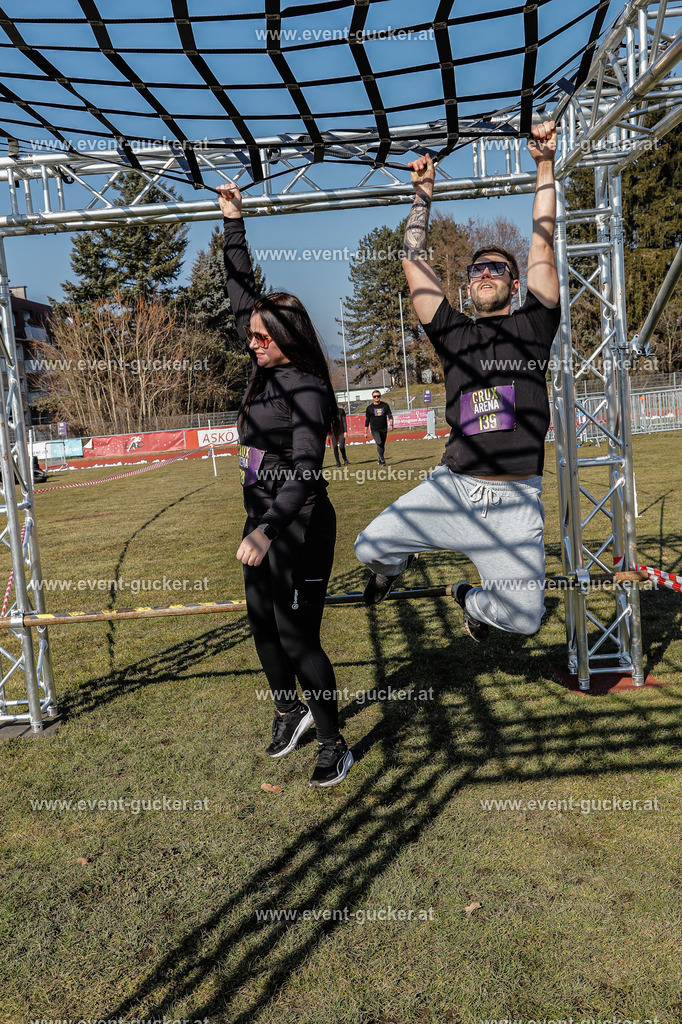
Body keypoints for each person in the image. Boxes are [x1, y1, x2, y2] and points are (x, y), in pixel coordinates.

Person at [355, 121, 561, 642]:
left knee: (524, 619)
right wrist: (422, 196)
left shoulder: (534, 323)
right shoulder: (454, 334)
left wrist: (543, 166)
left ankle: (472, 601)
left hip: (516, 503)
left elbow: (542, 245)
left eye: (495, 267)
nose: (483, 273)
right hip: (455, 489)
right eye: (474, 270)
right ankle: (390, 568)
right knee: (369, 547)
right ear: (468, 287)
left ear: (514, 284)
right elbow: (412, 262)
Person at [218, 182, 353, 788]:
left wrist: (270, 529)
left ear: (287, 338)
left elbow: (306, 473)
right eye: (251, 337)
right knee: (262, 624)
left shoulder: (306, 387)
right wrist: (234, 225)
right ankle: (288, 712)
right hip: (262, 522)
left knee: (299, 637)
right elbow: (240, 295)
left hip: (297, 525)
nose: (251, 343)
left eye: (261, 337)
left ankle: (334, 742)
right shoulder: (263, 366)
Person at [364, 390, 394, 465]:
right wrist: (365, 431)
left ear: (380, 396)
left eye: (378, 396)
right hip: (375, 429)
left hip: (383, 428)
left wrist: (391, 424)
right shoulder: (369, 408)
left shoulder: (385, 405)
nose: (376, 397)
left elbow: (390, 415)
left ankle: (379, 458)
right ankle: (383, 460)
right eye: (375, 396)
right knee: (379, 442)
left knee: (382, 445)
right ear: (373, 397)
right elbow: (367, 420)